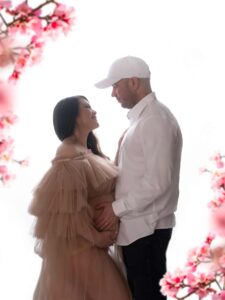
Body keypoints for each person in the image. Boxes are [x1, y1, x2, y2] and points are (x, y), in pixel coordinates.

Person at [94, 56, 183, 300]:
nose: (113, 94)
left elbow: (158, 183)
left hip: (147, 231)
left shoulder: (155, 120)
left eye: (115, 86)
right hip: (139, 229)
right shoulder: (145, 119)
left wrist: (115, 208)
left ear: (133, 82)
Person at [28, 95, 132, 300]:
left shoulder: (85, 152)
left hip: (90, 251)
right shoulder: (67, 158)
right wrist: (99, 238)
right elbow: (69, 215)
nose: (93, 110)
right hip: (82, 253)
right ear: (73, 118)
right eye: (87, 107)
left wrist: (122, 148)